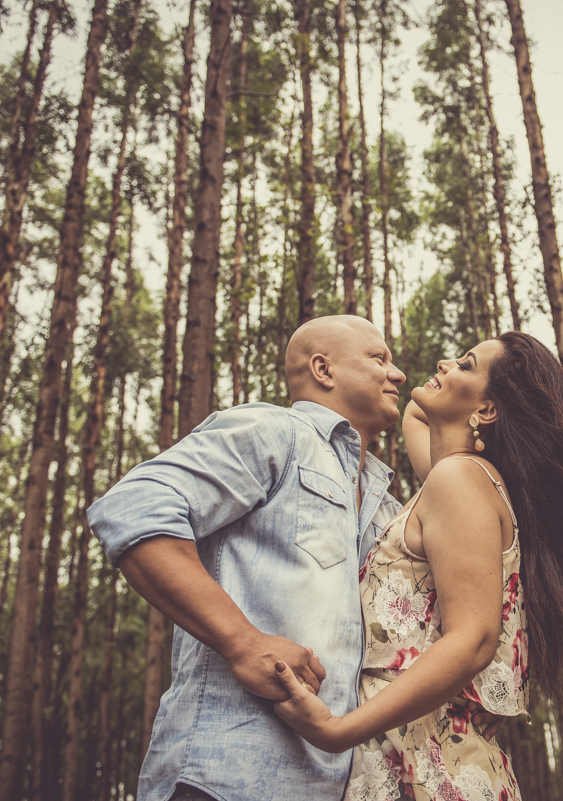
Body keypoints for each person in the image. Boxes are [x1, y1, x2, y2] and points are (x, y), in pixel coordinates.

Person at [272, 331, 563, 801]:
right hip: (432, 756)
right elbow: (415, 412)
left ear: (487, 409)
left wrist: (336, 730)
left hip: (428, 765)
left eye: (465, 364)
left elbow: (474, 639)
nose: (445, 363)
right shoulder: (458, 479)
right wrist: (443, 399)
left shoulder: (458, 479)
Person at [89, 315, 414, 801]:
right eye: (379, 358)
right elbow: (134, 507)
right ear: (323, 370)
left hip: (337, 787)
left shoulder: (387, 505)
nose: (398, 373)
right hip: (225, 777)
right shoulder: (274, 431)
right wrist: (242, 642)